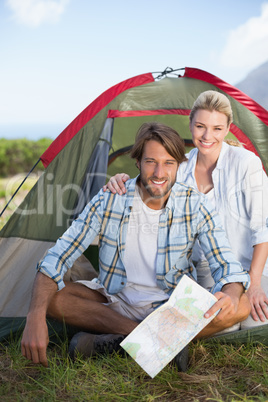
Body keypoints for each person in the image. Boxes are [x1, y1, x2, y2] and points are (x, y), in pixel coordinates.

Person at [21, 122, 251, 370]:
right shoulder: (110, 199)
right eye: (151, 161)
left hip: (173, 307)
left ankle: (118, 343)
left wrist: (230, 292)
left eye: (168, 163)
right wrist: (34, 316)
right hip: (116, 303)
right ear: (138, 162)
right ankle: (158, 342)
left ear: (179, 166)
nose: (159, 173)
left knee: (241, 305)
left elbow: (226, 264)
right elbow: (58, 255)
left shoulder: (196, 205)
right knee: (54, 300)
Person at [104, 91, 268, 330]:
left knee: (256, 323)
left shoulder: (246, 163)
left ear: (228, 128)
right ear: (190, 124)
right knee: (225, 324)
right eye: (200, 126)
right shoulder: (181, 169)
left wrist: (253, 284)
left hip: (251, 265)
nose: (207, 136)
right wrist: (121, 179)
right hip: (206, 270)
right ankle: (138, 337)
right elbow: (150, 183)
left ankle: (140, 337)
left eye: (217, 128)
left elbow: (262, 228)